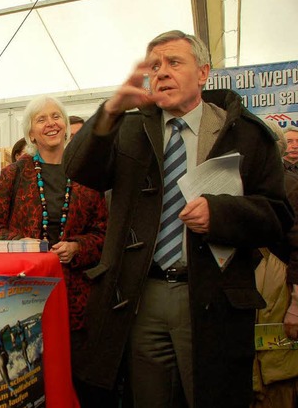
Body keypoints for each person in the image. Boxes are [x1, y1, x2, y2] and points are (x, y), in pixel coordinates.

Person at [63, 30, 293, 408]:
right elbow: (78, 167)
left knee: (213, 397)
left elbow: (277, 216)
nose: (162, 72)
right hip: (141, 298)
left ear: (203, 73)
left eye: (174, 62)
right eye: (154, 65)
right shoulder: (131, 128)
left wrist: (220, 213)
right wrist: (111, 111)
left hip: (212, 297)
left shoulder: (245, 134)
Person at [0, 94, 107, 404]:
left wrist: (78, 247)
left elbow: (103, 232)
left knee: (78, 375)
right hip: (26, 291)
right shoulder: (15, 173)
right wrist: (23, 245)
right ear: (31, 132)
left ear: (66, 126)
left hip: (77, 295)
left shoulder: (88, 173)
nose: (50, 123)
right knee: (33, 372)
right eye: (41, 119)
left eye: (56, 117)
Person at [251, 121, 298, 407]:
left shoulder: (288, 186)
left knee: (278, 376)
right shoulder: (246, 184)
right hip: (257, 300)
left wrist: (296, 306)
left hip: (280, 298)